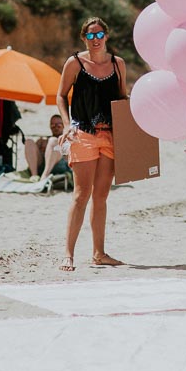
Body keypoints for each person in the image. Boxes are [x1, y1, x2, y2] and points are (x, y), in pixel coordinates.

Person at [55, 17, 127, 272]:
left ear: (106, 37)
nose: (95, 40)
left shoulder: (118, 65)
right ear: (83, 37)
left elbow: (121, 99)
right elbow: (61, 95)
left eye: (99, 35)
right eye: (90, 35)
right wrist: (66, 125)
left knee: (101, 196)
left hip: (109, 136)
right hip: (82, 134)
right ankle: (68, 254)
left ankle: (99, 253)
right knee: (81, 194)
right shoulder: (74, 63)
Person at [25, 113, 71, 180]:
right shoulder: (45, 140)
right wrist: (40, 147)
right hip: (41, 166)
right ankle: (34, 175)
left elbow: (69, 159)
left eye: (59, 125)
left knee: (53, 141)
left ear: (64, 125)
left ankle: (45, 176)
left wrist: (57, 146)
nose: (55, 127)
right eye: (53, 125)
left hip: (59, 166)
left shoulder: (68, 140)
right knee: (29, 142)